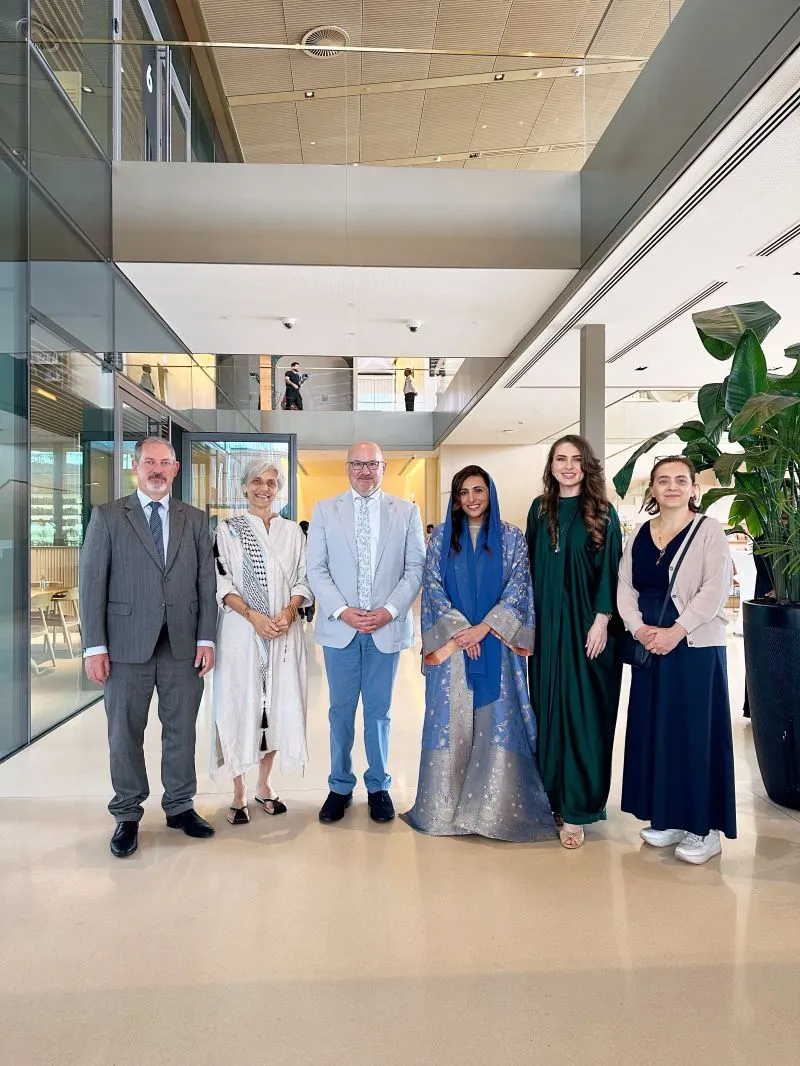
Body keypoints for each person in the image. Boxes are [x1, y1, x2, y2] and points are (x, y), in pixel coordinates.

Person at [79, 437, 217, 858]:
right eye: (150, 462)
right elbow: (92, 584)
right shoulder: (107, 517)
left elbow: (206, 582)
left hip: (182, 644)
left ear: (176, 469)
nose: (157, 469)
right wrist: (94, 646)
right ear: (135, 467)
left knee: (182, 731)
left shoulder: (195, 519)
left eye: (165, 462)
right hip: (124, 646)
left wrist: (206, 637)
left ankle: (180, 806)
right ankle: (127, 813)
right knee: (124, 733)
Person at [403, 466, 555, 841]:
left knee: (496, 718)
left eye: (478, 490)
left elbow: (519, 588)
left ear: (490, 493)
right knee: (451, 719)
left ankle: (495, 810)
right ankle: (445, 810)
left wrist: (483, 629)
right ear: (456, 498)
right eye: (463, 492)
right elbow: (432, 587)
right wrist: (462, 632)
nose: (471, 499)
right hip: (453, 649)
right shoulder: (441, 538)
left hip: (497, 645)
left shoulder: (511, 537)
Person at [618, 456, 736, 865]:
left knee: (694, 734)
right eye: (663, 480)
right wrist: (638, 629)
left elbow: (714, 589)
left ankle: (705, 829)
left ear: (693, 489)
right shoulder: (639, 533)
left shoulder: (709, 530)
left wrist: (675, 631)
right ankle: (669, 817)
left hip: (693, 645)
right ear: (652, 488)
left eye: (680, 480)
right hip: (650, 643)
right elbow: (625, 586)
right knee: (658, 731)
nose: (672, 487)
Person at [307, 441, 425, 824]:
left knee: (379, 712)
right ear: (347, 468)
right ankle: (340, 786)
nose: (364, 471)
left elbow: (415, 568)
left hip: (385, 629)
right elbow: (316, 568)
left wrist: (389, 611)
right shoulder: (325, 511)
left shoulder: (406, 512)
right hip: (340, 629)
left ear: (383, 467)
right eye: (357, 464)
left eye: (372, 464)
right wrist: (343, 611)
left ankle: (378, 786)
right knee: (340, 712)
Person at [525, 436, 623, 849]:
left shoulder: (603, 512)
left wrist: (601, 619)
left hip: (588, 631)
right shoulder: (539, 509)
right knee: (547, 711)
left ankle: (579, 808)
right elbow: (528, 569)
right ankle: (552, 800)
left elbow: (612, 570)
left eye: (576, 460)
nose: (568, 466)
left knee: (583, 715)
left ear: (587, 466)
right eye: (560, 459)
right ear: (551, 465)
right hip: (546, 630)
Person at [212, 460, 311, 825]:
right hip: (241, 632)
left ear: (278, 489)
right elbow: (222, 583)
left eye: (271, 482)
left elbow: (304, 579)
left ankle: (264, 784)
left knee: (276, 706)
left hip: (284, 634)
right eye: (256, 481)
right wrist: (254, 617)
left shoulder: (292, 532)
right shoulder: (228, 530)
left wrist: (288, 612)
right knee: (239, 704)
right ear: (244, 486)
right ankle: (238, 791)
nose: (264, 488)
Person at [298, 520, 315, 623]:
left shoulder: (297, 538)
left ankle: (300, 612)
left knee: (299, 589)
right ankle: (310, 612)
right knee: (311, 590)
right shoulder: (312, 539)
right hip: (311, 569)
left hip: (300, 569)